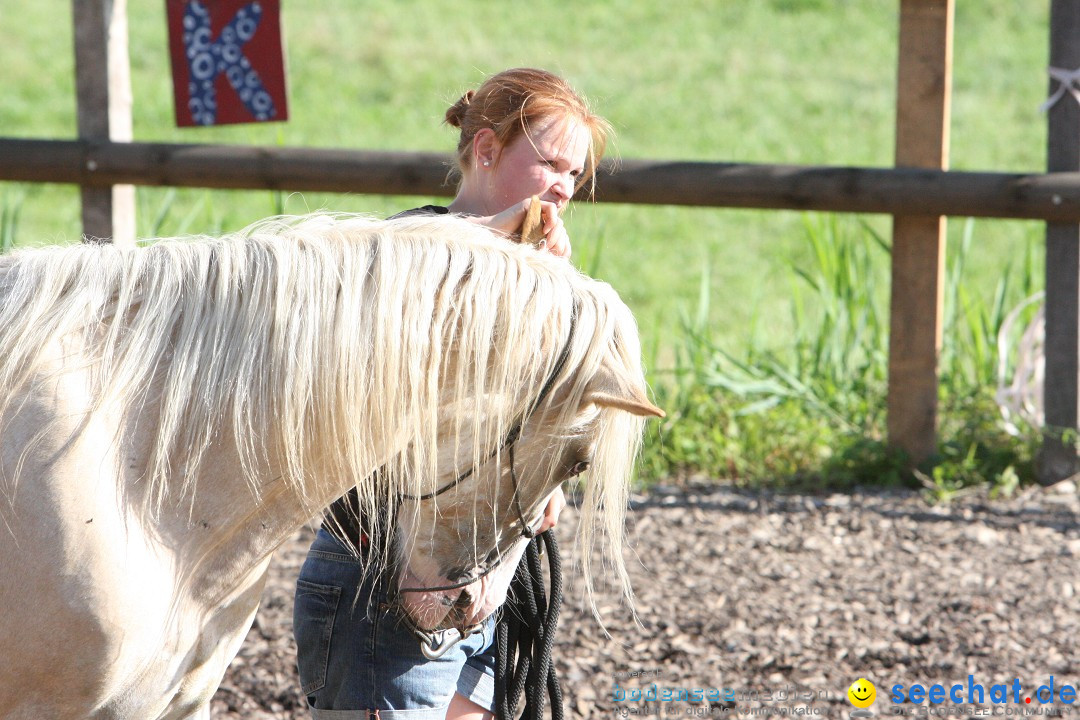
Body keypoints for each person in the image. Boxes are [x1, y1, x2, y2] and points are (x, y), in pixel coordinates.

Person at [293, 67, 612, 720]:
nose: (562, 185)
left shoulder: (541, 271)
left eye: (574, 174)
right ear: (488, 150)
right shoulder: (402, 253)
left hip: (491, 576)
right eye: (549, 162)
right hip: (383, 579)